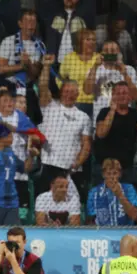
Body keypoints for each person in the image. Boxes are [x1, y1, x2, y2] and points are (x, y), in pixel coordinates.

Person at [37, 54, 92, 198]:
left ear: (77, 94)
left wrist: (77, 163)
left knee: (72, 209)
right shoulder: (50, 106)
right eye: (67, 91)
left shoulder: (83, 117)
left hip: (71, 171)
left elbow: (86, 145)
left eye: (73, 92)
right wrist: (47, 66)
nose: (69, 94)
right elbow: (42, 86)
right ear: (62, 91)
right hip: (49, 166)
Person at [87, 158, 137, 226]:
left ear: (120, 174)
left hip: (125, 231)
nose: (112, 177)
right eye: (108, 174)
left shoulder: (129, 189)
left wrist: (120, 195)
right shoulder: (93, 192)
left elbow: (135, 216)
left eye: (115, 173)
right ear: (103, 175)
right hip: (102, 233)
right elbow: (90, 221)